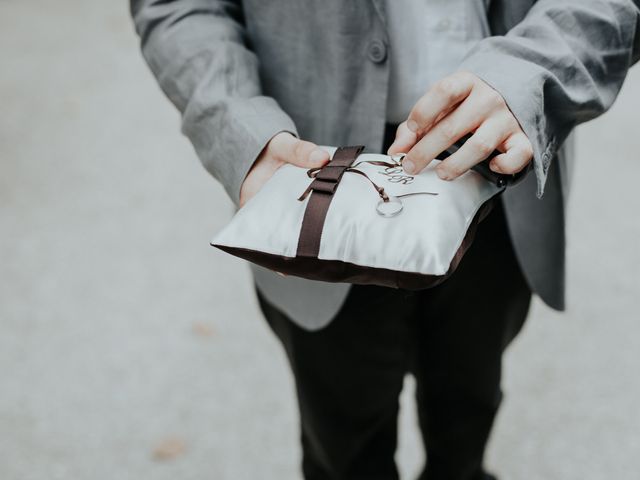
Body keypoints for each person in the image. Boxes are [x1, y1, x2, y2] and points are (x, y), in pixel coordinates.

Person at [130, 1, 640, 479]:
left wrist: (533, 70)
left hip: (499, 165)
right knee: (342, 437)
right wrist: (237, 124)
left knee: (469, 403)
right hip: (315, 178)